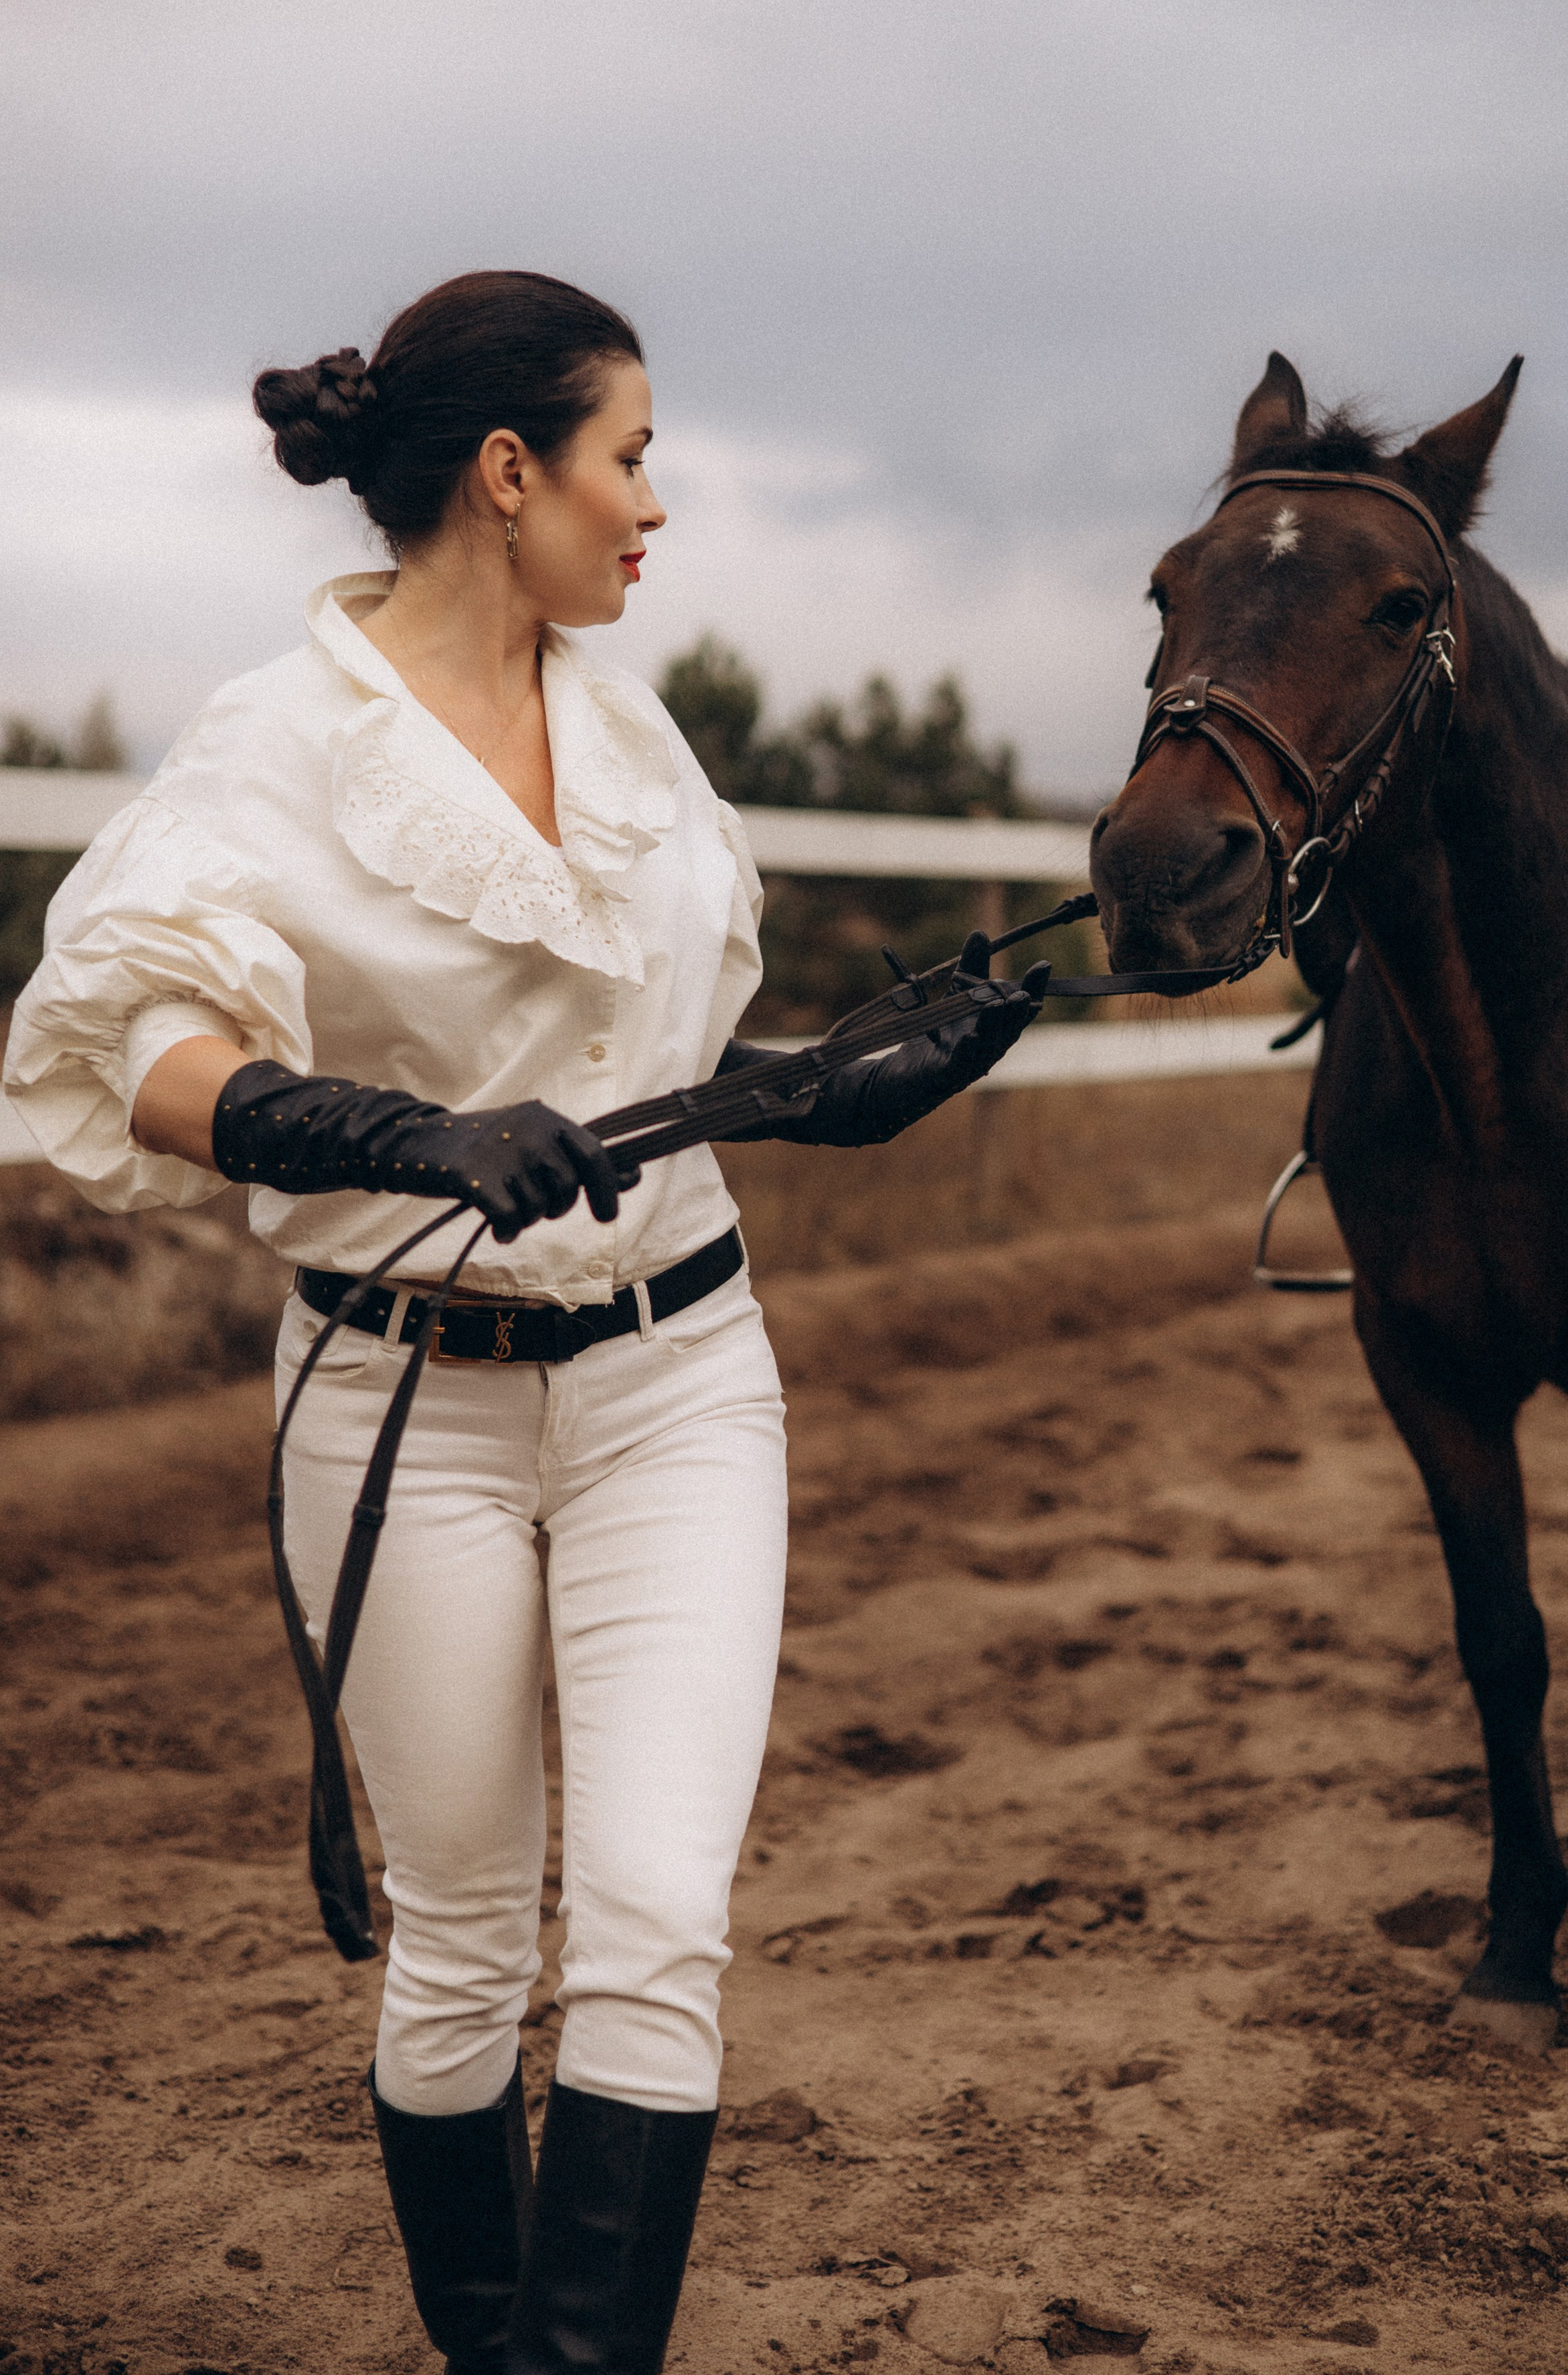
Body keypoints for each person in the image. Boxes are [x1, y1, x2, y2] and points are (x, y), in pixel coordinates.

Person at [1, 271, 1043, 2375]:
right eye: (631, 457)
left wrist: (836, 1091)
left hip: (682, 1377)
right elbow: (136, 1051)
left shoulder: (628, 721)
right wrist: (393, 1131)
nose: (656, 507)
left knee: (657, 1930)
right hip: (403, 1401)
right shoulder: (276, 746)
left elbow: (677, 1041)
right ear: (510, 472)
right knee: (465, 1946)